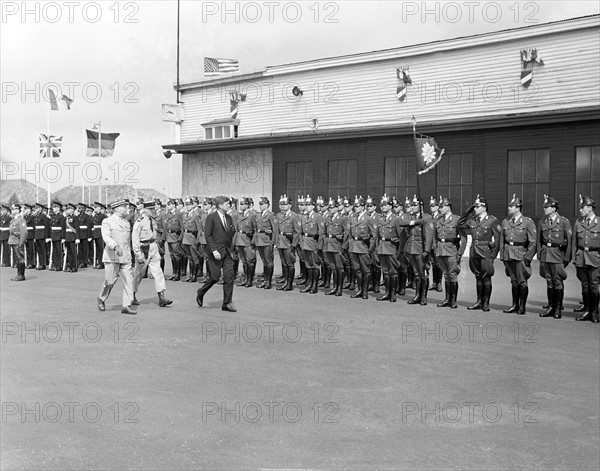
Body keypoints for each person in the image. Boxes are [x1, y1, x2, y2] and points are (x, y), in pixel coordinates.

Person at [458, 195, 501, 312]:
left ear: (484, 207)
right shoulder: (473, 220)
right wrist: (468, 211)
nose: (475, 209)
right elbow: (460, 223)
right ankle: (479, 301)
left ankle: (486, 302)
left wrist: (492, 257)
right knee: (477, 277)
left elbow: (497, 240)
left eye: (477, 207)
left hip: (485, 252)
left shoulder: (492, 220)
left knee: (486, 278)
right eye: (474, 207)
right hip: (474, 251)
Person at [196, 196, 237, 312]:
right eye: (227, 204)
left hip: (227, 252)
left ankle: (227, 303)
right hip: (215, 252)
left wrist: (231, 249)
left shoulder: (229, 218)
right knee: (214, 277)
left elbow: (231, 233)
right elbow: (208, 235)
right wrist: (214, 250)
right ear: (220, 205)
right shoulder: (211, 217)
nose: (229, 206)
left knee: (229, 278)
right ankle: (201, 291)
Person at [97, 198, 137, 315]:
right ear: (118, 209)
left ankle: (126, 305)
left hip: (125, 257)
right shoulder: (107, 221)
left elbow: (129, 240)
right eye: (125, 207)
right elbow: (106, 237)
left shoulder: (126, 222)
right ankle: (101, 298)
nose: (127, 209)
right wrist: (115, 246)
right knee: (110, 282)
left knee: (129, 282)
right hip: (112, 256)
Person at [499, 195, 537, 315]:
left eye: (511, 206)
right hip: (508, 253)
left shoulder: (527, 222)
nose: (509, 208)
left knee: (522, 281)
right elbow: (501, 240)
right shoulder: (506, 221)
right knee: (513, 281)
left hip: (521, 253)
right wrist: (502, 255)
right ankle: (514, 305)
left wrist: (528, 257)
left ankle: (522, 306)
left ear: (518, 208)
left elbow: (533, 241)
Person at [131, 201, 173, 307]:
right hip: (143, 248)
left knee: (158, 272)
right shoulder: (139, 221)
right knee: (138, 274)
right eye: (151, 210)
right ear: (146, 210)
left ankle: (161, 296)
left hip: (153, 246)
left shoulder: (153, 220)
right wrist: (138, 253)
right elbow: (135, 238)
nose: (153, 212)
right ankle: (132, 295)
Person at [537, 195, 572, 319]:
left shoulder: (563, 221)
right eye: (545, 207)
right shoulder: (542, 221)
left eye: (547, 207)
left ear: (554, 208)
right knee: (549, 281)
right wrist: (540, 254)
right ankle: (551, 307)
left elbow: (569, 240)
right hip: (546, 254)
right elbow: (539, 240)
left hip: (557, 254)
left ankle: (558, 308)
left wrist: (566, 258)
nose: (545, 209)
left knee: (557, 282)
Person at [398, 196, 434, 305]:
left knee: (423, 273)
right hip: (410, 247)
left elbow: (429, 236)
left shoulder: (427, 218)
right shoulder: (410, 217)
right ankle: (417, 295)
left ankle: (423, 296)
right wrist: (414, 222)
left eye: (415, 205)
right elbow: (401, 222)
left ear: (421, 206)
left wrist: (427, 251)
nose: (412, 207)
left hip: (420, 247)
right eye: (412, 205)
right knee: (416, 273)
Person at [433, 197, 467, 308]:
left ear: (448, 207)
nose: (440, 209)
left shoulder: (456, 220)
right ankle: (447, 299)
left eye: (442, 207)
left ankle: (453, 300)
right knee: (446, 276)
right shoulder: (438, 219)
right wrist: (435, 248)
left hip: (452, 250)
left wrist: (460, 253)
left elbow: (463, 238)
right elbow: (434, 236)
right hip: (441, 250)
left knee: (453, 275)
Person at [572, 196, 600, 323]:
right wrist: (574, 257)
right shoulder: (579, 223)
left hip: (595, 257)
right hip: (581, 257)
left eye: (582, 207)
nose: (581, 210)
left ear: (590, 208)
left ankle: (594, 311)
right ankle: (587, 311)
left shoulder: (599, 222)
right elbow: (574, 243)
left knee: (594, 285)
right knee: (585, 286)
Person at [348, 196, 377, 299]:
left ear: (363, 206)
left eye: (358, 206)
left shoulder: (368, 219)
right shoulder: (353, 218)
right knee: (357, 270)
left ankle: (365, 291)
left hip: (363, 247)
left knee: (366, 270)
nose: (356, 208)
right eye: (355, 206)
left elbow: (374, 236)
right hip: (354, 246)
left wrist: (370, 249)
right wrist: (350, 245)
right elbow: (350, 234)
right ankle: (359, 290)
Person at [375, 194, 402, 302]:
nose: (383, 207)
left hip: (391, 248)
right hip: (382, 247)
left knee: (393, 272)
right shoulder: (380, 218)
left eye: (385, 205)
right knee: (385, 271)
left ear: (391, 206)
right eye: (381, 205)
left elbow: (401, 237)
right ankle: (387, 292)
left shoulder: (395, 219)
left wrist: (399, 251)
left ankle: (393, 293)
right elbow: (377, 235)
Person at [322, 197, 348, 296]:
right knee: (333, 267)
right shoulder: (328, 218)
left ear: (337, 208)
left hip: (337, 245)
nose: (330, 209)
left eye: (332, 207)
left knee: (339, 268)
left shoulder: (342, 218)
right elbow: (324, 232)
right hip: (329, 245)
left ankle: (339, 288)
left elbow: (347, 233)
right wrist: (325, 241)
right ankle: (335, 287)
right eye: (329, 208)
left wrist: (343, 246)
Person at [275, 195, 301, 291]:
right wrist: (276, 241)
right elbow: (277, 230)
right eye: (281, 204)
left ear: (290, 205)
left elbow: (297, 232)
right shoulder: (279, 215)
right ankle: (285, 282)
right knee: (284, 263)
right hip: (281, 242)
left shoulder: (294, 216)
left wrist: (293, 245)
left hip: (289, 243)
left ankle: (289, 284)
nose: (282, 206)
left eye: (285, 204)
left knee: (290, 264)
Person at [254, 196, 278, 289]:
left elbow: (275, 229)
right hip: (259, 240)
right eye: (260, 204)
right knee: (264, 261)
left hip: (267, 241)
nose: (260, 206)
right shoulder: (259, 215)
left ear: (267, 205)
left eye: (262, 204)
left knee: (269, 262)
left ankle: (268, 282)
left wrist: (273, 242)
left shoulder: (271, 215)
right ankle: (265, 279)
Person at [235, 197, 257, 287]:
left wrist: (253, 241)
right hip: (240, 240)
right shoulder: (239, 215)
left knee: (250, 261)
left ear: (248, 205)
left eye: (243, 204)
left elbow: (256, 229)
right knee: (244, 261)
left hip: (248, 240)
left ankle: (249, 280)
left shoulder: (252, 215)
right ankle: (245, 279)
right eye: (240, 204)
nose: (241, 206)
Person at [163, 198, 184, 281]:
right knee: (172, 256)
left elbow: (182, 226)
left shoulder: (178, 213)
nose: (168, 206)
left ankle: (177, 274)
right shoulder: (168, 214)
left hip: (175, 236)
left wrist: (180, 238)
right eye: (167, 204)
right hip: (169, 236)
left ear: (173, 205)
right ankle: (174, 273)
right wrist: (164, 238)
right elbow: (166, 227)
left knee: (176, 255)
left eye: (169, 204)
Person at [8, 203, 27, 281]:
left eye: (13, 209)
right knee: (17, 258)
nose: (12, 211)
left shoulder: (21, 219)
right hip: (13, 240)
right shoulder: (14, 219)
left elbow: (24, 232)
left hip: (17, 241)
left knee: (20, 258)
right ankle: (19, 274)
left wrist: (21, 242)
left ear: (17, 210)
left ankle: (21, 275)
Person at [429, 196, 444, 292]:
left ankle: (439, 283)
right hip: (430, 244)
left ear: (438, 206)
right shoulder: (430, 217)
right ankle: (434, 282)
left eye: (433, 205)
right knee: (433, 263)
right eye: (430, 205)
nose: (431, 207)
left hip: (437, 243)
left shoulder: (440, 217)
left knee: (439, 264)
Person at [49, 201, 66, 271]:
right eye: (53, 207)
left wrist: (63, 237)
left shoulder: (61, 217)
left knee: (59, 251)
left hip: (59, 235)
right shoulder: (53, 216)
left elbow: (63, 227)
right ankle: (55, 264)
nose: (53, 208)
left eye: (55, 207)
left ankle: (59, 265)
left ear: (58, 208)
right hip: (54, 235)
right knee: (54, 251)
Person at [33, 203, 51, 270]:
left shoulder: (43, 216)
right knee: (39, 250)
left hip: (42, 235)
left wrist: (47, 237)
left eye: (37, 208)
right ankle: (40, 262)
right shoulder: (36, 216)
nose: (36, 209)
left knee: (43, 250)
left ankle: (43, 264)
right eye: (35, 208)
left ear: (40, 209)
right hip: (37, 235)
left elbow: (47, 227)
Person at [64, 203, 81, 272]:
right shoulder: (66, 218)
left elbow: (77, 228)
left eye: (69, 209)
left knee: (73, 253)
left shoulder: (75, 217)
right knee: (69, 253)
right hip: (67, 237)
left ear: (72, 210)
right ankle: (69, 266)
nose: (67, 210)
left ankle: (74, 267)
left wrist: (77, 238)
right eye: (67, 209)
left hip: (73, 236)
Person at [91, 202, 107, 269]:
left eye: (96, 207)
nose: (95, 208)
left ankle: (104, 263)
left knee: (102, 249)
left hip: (101, 234)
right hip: (96, 234)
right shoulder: (95, 216)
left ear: (99, 208)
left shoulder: (103, 216)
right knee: (98, 250)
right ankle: (99, 263)